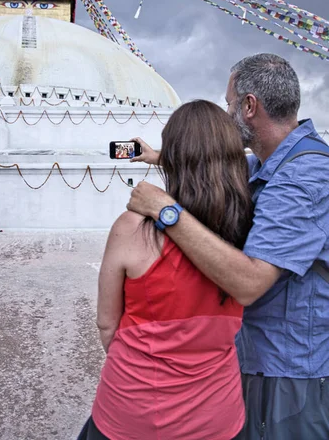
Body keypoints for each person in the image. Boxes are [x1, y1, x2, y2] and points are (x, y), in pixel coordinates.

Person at [128, 53, 329, 439]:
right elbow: (225, 163)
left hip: (289, 372)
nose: (226, 112)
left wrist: (167, 211)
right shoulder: (272, 161)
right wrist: (164, 156)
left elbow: (249, 284)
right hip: (261, 358)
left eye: (229, 103)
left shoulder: (303, 178)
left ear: (250, 106)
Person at [79, 100, 254, 440]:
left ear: (172, 157)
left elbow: (107, 324)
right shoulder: (250, 230)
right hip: (216, 417)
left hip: (131, 412)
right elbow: (227, 164)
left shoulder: (131, 228)